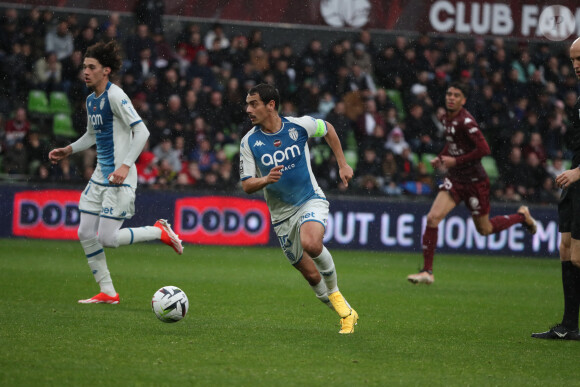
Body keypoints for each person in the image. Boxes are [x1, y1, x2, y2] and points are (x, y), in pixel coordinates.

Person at [48, 41, 183, 305]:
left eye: (91, 67)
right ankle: (108, 292)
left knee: (107, 239)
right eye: (84, 66)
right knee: (85, 232)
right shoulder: (91, 100)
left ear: (106, 70)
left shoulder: (115, 95)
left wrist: (125, 165)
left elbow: (142, 131)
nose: (85, 72)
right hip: (101, 176)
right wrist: (68, 150)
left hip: (120, 178)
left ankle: (158, 231)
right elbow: (91, 135)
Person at [239, 83, 358, 334]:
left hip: (309, 199)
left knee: (312, 243)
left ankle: (336, 294)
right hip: (281, 217)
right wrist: (265, 180)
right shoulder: (249, 142)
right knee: (312, 277)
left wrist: (343, 164)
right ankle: (347, 312)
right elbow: (247, 185)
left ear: (271, 105)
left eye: (253, 104)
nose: (247, 109)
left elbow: (328, 129)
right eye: (247, 104)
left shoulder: (298, 126)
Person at [407, 82, 537, 285]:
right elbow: (452, 145)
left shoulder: (466, 121)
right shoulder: (446, 118)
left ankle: (521, 217)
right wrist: (441, 158)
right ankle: (427, 271)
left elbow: (484, 149)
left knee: (484, 229)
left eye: (456, 95)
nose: (451, 97)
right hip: (455, 180)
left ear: (463, 100)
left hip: (475, 182)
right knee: (432, 218)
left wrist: (455, 161)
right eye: (449, 93)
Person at [532, 37, 580, 340]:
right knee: (565, 248)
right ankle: (568, 326)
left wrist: (577, 172)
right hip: (576, 179)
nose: (577, 66)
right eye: (574, 60)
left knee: (578, 256)